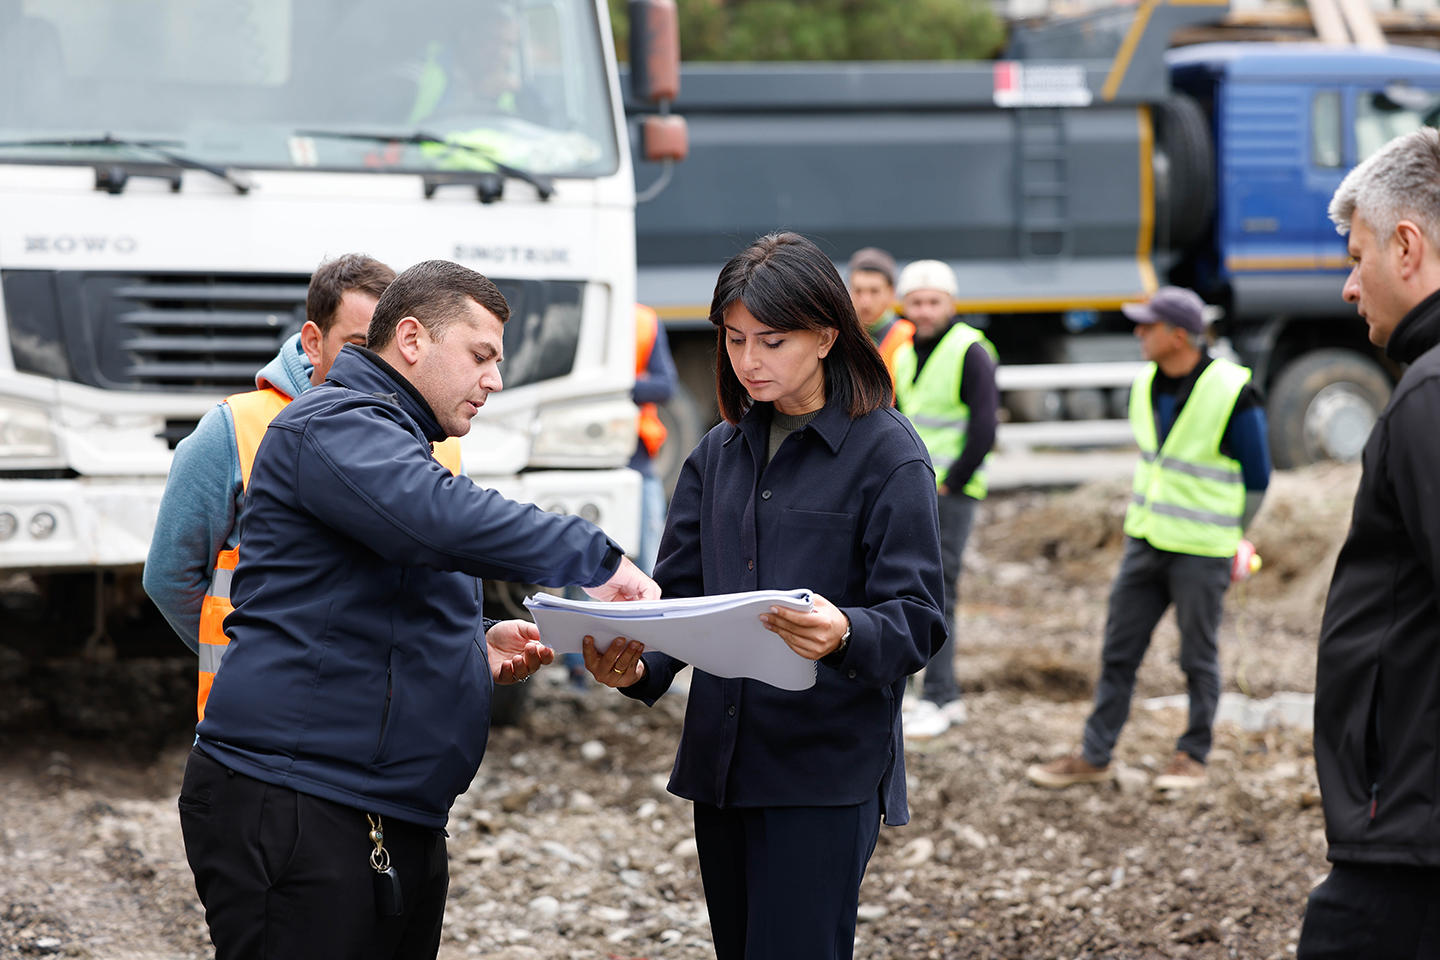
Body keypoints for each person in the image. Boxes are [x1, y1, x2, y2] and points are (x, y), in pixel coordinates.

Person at [177, 260, 659, 960]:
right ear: (410, 339)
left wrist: (469, 644)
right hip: (299, 801)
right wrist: (599, 560)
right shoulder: (332, 424)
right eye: (481, 356)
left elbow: (372, 594)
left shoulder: (398, 441)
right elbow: (437, 519)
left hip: (381, 809)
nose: (494, 380)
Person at [581, 232, 946, 960]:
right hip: (722, 767)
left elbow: (918, 619)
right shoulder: (716, 454)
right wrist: (636, 666)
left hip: (822, 772)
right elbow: (678, 600)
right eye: (735, 339)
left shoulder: (888, 454)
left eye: (772, 341)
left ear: (825, 336)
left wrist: (846, 632)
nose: (749, 360)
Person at [144, 253, 462, 722]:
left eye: (391, 346)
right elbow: (170, 579)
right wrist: (258, 659)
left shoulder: (443, 446)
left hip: (382, 729)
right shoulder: (234, 428)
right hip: (254, 729)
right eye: (360, 345)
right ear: (313, 342)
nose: (381, 365)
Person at [1026, 285, 1271, 792]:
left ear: (1179, 335)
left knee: (1196, 658)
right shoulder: (1145, 384)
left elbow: (1258, 479)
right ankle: (1095, 755)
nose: (1138, 332)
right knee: (1119, 651)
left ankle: (1192, 756)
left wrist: (1233, 536)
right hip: (1147, 540)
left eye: (1148, 325)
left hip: (1202, 549)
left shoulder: (1232, 390)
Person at [1297, 128, 1440, 958]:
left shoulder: (1430, 393)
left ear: (1407, 246)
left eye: (1358, 258)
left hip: (1412, 828)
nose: (1350, 286)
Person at [891, 259, 999, 739]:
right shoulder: (906, 352)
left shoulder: (970, 350)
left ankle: (939, 695)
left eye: (933, 301)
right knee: (916, 588)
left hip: (949, 492)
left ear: (950, 303)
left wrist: (951, 482)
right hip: (917, 489)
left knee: (940, 591)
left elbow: (985, 426)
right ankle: (939, 693)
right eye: (916, 302)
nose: (925, 310)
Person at [846, 246, 913, 384]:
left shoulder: (909, 337)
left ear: (891, 293)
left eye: (874, 291)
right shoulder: (836, 337)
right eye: (858, 291)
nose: (865, 301)